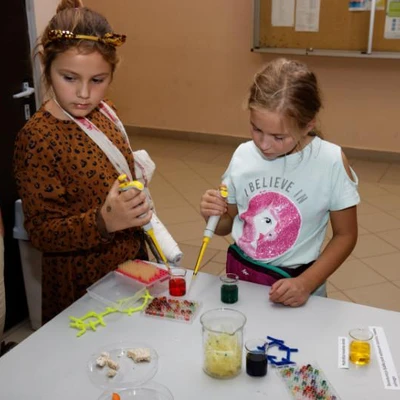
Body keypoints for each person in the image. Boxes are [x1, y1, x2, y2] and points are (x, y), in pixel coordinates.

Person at [13, 0, 152, 324]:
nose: (85, 94)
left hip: (128, 265)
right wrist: (104, 221)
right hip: (81, 285)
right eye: (70, 78)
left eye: (98, 80)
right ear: (46, 65)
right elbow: (42, 233)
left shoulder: (104, 113)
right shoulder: (38, 138)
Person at [200, 58, 359, 307]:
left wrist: (307, 282)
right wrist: (214, 213)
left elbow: (346, 235)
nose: (264, 145)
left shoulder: (330, 162)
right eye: (256, 130)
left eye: (279, 137)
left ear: (308, 125)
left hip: (301, 287)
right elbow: (225, 226)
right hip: (245, 281)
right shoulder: (243, 155)